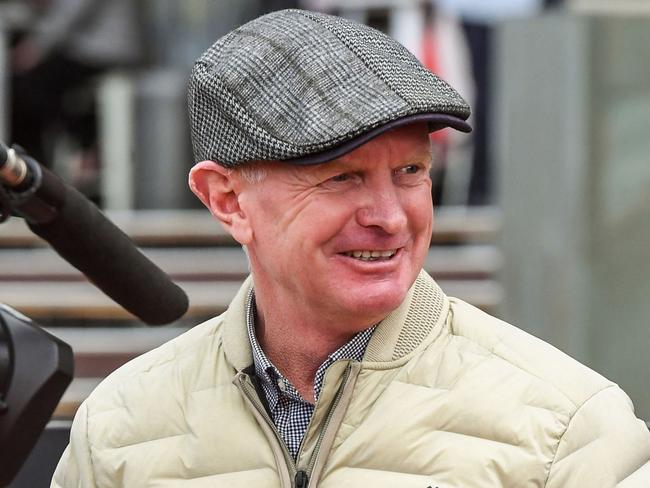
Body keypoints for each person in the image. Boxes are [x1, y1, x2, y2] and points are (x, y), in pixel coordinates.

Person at [51, 9, 650, 487]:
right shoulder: (120, 428)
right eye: (341, 177)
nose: (391, 217)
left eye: (412, 171)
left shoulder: (568, 426)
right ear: (227, 200)